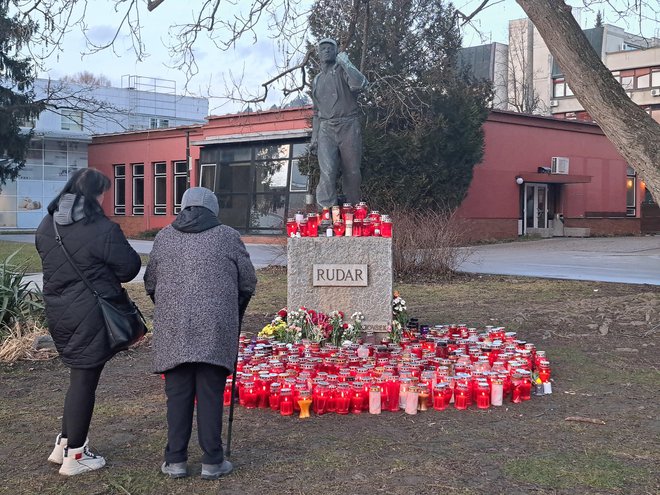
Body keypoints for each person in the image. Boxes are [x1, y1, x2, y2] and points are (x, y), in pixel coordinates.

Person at [144, 187, 257, 480]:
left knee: (177, 395)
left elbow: (151, 283)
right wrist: (231, 308)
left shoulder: (164, 236)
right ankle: (212, 461)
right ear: (214, 210)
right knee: (210, 393)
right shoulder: (228, 236)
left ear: (183, 208)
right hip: (216, 327)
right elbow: (247, 282)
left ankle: (176, 461)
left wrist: (172, 309)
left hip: (174, 328)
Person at [35, 168, 142, 476]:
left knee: (79, 377)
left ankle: (64, 444)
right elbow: (129, 268)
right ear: (96, 194)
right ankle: (75, 457)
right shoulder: (100, 227)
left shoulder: (47, 223)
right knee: (84, 381)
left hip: (59, 311)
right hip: (91, 314)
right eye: (103, 192)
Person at [310, 38, 369, 208]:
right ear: (319, 54)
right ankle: (326, 212)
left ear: (336, 52)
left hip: (348, 125)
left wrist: (347, 63)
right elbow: (317, 112)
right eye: (323, 48)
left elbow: (360, 84)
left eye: (330, 48)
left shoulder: (343, 71)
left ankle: (352, 209)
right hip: (326, 128)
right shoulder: (317, 80)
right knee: (327, 172)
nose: (327, 50)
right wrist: (314, 138)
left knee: (352, 172)